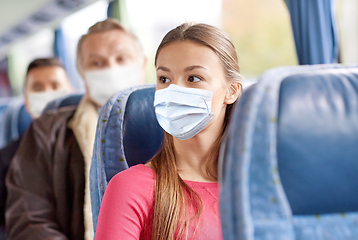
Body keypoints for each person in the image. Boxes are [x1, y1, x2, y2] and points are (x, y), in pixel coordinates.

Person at [95, 23, 243, 240]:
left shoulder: (255, 186)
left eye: (193, 78)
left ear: (231, 91)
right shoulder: (130, 188)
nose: (174, 91)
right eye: (164, 79)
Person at [5, 18, 146, 240]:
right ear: (81, 72)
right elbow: (29, 217)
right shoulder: (48, 131)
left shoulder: (175, 127)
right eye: (97, 63)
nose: (111, 69)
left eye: (121, 58)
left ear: (142, 64)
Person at [0, 57, 72, 238]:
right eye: (38, 88)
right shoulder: (6, 158)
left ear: (71, 92)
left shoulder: (95, 144)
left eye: (55, 86)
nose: (48, 94)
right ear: (27, 101)